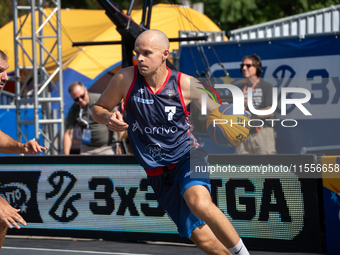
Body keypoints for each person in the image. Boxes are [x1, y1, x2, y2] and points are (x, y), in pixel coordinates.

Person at [92, 30, 250, 255]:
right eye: (138, 53)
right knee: (203, 240)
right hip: (156, 171)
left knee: (199, 203)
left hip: (188, 155)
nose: (141, 59)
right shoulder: (125, 78)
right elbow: (97, 109)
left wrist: (236, 123)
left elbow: (221, 113)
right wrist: (107, 117)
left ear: (165, 54)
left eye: (147, 53)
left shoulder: (186, 84)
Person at [63, 81, 124, 155]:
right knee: (83, 165)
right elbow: (68, 134)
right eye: (76, 99)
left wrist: (121, 145)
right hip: (87, 148)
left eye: (82, 96)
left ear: (86, 90)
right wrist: (66, 156)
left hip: (108, 147)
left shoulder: (100, 100)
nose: (80, 100)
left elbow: (119, 122)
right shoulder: (74, 109)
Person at [235, 54, 276, 154]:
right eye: (242, 66)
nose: (244, 68)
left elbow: (270, 111)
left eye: (248, 66)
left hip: (262, 133)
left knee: (266, 166)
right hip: (242, 133)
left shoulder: (267, 86)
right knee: (240, 167)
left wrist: (249, 114)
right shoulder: (239, 90)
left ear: (257, 68)